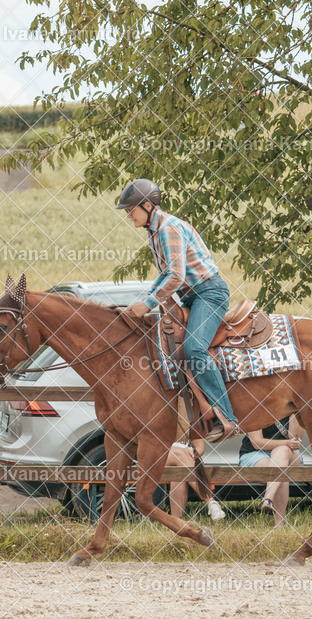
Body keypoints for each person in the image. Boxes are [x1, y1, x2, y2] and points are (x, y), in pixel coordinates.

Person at [117, 179, 238, 443]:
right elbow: (164, 275)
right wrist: (146, 299)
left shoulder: (168, 229)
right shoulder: (153, 230)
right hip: (192, 296)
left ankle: (227, 418)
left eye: (131, 210)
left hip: (209, 293)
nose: (128, 216)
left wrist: (147, 304)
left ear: (148, 205)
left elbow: (175, 275)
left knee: (194, 348)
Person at [238, 415, 303, 527]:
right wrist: (286, 443)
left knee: (282, 454)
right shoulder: (257, 407)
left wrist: (294, 410)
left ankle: (267, 499)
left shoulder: (292, 406)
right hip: (255, 454)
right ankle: (279, 525)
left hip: (288, 454)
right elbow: (257, 443)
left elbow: (295, 438)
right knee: (281, 469)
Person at [166, 440, 226, 521]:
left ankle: (176, 521)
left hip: (188, 460)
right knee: (180, 454)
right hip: (162, 455)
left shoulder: (194, 426)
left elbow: (200, 448)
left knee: (180, 473)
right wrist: (183, 452)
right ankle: (210, 501)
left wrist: (191, 453)